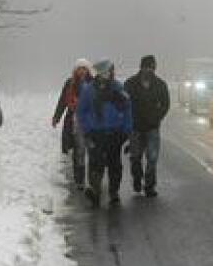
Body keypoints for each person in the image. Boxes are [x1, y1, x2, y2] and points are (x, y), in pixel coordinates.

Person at [77, 59, 132, 207]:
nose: (111, 73)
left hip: (115, 133)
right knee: (96, 163)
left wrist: (126, 131)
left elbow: (128, 110)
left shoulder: (119, 88)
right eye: (109, 71)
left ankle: (114, 192)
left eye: (111, 71)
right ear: (102, 73)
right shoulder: (89, 90)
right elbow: (81, 112)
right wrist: (87, 131)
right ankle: (95, 192)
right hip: (96, 133)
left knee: (114, 164)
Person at [124, 55, 170, 197]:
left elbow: (165, 104)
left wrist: (157, 117)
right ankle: (137, 178)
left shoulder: (160, 84)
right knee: (135, 157)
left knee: (152, 158)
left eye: (152, 67)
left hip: (152, 127)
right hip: (135, 127)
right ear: (141, 67)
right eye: (147, 67)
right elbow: (124, 104)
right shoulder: (130, 84)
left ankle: (150, 186)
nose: (149, 70)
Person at [53, 59, 93, 189]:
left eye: (84, 68)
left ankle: (94, 178)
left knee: (93, 150)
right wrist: (56, 117)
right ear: (75, 70)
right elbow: (62, 101)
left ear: (88, 70)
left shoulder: (93, 83)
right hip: (74, 120)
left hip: (91, 120)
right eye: (79, 68)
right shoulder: (70, 84)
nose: (82, 71)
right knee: (78, 150)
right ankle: (79, 179)